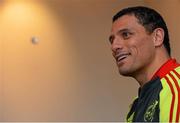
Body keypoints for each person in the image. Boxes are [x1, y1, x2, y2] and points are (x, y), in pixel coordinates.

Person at [109, 6, 180, 122]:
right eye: (112, 40)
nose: (114, 46)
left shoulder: (176, 89)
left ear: (157, 37)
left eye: (126, 34)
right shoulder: (136, 105)